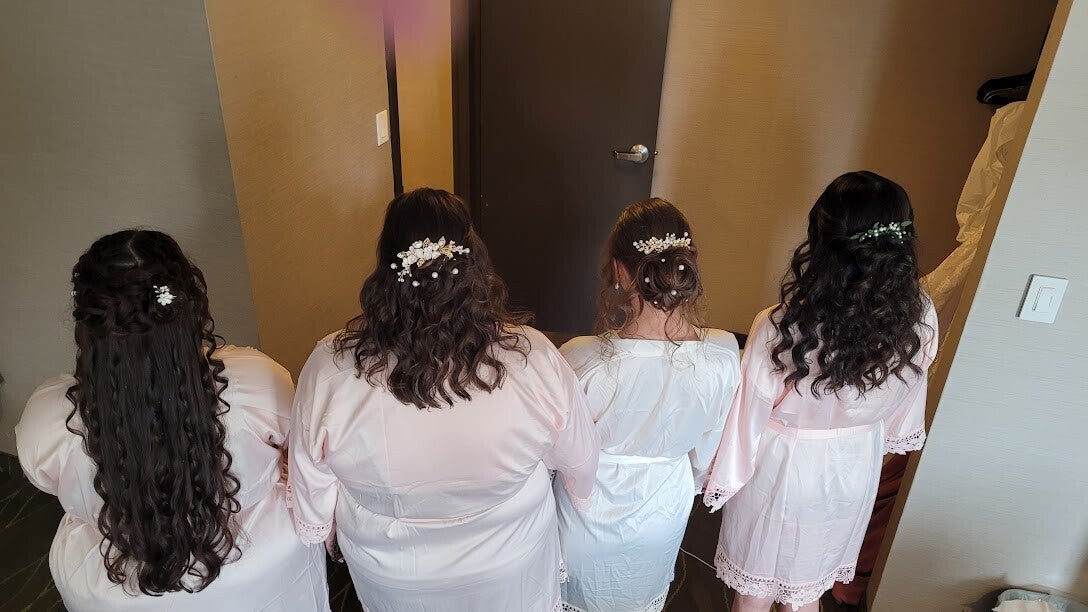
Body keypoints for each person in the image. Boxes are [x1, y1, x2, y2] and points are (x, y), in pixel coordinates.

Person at [288, 188, 600, 612]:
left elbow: (310, 474)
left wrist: (320, 529)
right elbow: (579, 458)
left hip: (395, 572)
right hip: (507, 560)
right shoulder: (533, 358)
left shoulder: (330, 368)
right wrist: (579, 494)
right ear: (474, 264)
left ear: (386, 269)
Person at [16, 230, 329, 611]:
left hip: (117, 592)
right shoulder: (257, 381)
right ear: (188, 304)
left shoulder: (49, 419)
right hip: (260, 564)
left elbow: (45, 480)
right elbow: (294, 444)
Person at [704, 172, 938, 612]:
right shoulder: (919, 316)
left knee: (754, 591)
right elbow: (904, 403)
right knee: (808, 589)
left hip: (782, 466)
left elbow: (747, 415)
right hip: (854, 466)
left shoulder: (781, 323)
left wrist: (722, 476)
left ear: (823, 237)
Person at [554, 198, 741, 612]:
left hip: (587, 519)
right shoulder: (723, 354)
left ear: (619, 272)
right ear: (686, 267)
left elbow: (559, 454)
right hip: (663, 513)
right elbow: (706, 456)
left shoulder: (581, 358)